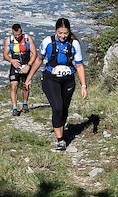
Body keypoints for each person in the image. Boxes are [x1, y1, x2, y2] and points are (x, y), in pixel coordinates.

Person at [24, 17, 87, 151]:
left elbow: (79, 65)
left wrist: (83, 85)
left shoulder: (74, 44)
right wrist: (29, 77)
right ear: (55, 31)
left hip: (68, 79)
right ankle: (60, 140)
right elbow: (39, 60)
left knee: (64, 109)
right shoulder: (48, 42)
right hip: (50, 79)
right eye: (60, 33)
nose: (63, 36)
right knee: (57, 107)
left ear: (69, 32)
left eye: (65, 33)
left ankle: (60, 128)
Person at [3, 23, 36, 116]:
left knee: (26, 85)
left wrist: (29, 65)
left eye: (19, 34)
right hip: (15, 65)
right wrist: (11, 60)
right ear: (12, 33)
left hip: (26, 64)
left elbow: (34, 54)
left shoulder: (27, 39)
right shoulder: (9, 40)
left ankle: (25, 103)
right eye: (15, 35)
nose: (17, 36)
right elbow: (5, 55)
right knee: (13, 86)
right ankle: (14, 108)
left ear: (21, 32)